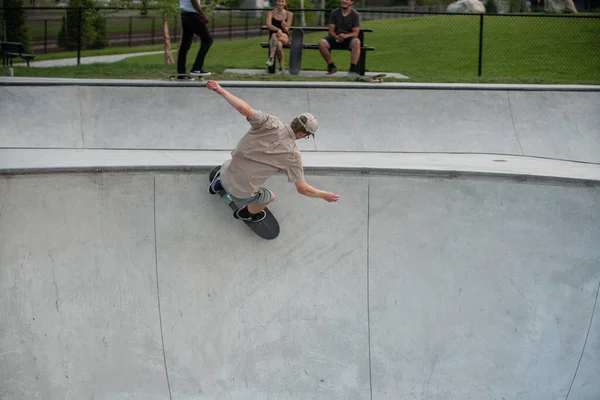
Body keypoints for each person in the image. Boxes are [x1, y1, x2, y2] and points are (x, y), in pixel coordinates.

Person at [206, 80, 340, 222]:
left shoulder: (270, 123)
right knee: (269, 197)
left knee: (235, 161)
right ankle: (245, 213)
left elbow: (245, 110)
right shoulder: (293, 156)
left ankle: (217, 184)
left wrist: (220, 90)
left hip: (226, 171)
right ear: (302, 134)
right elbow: (303, 189)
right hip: (241, 195)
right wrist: (324, 195)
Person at [318, 0, 361, 77]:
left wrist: (345, 36)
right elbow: (331, 31)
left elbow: (355, 32)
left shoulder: (355, 14)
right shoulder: (334, 13)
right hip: (335, 37)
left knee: (356, 42)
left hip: (349, 39)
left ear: (351, 2)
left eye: (347, 0)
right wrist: (337, 37)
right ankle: (331, 67)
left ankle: (352, 70)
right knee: (321, 42)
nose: (344, 1)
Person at [177, 0, 213, 78]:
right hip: (193, 16)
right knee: (207, 40)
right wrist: (203, 14)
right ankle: (197, 68)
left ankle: (181, 73)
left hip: (185, 14)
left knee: (185, 45)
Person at [265, 0, 294, 73]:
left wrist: (283, 26)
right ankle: (282, 67)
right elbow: (268, 25)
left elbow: (287, 29)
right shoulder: (271, 13)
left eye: (282, 1)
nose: (280, 3)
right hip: (274, 39)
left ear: (285, 3)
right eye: (278, 1)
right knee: (278, 45)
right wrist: (278, 29)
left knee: (275, 35)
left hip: (284, 37)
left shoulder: (289, 14)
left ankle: (271, 57)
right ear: (276, 2)